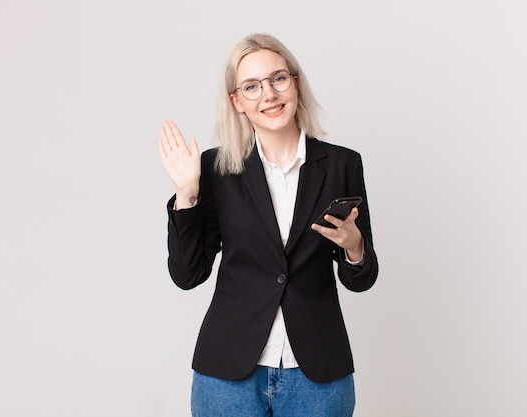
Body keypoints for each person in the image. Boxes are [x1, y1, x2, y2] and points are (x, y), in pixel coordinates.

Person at [158, 33, 379, 417]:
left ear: (295, 82)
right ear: (237, 102)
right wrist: (186, 192)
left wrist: (354, 246)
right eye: (251, 86)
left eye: (278, 78)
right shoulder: (216, 170)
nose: (269, 94)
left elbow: (361, 279)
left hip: (318, 375)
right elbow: (187, 274)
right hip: (228, 375)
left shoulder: (343, 165)